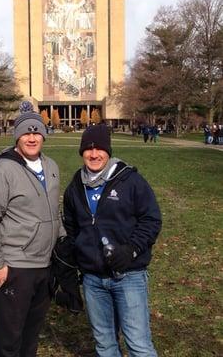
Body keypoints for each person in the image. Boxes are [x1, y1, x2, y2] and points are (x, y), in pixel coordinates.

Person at [63, 124, 162, 357]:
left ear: (108, 151)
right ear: (81, 152)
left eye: (99, 149)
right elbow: (71, 226)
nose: (94, 154)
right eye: (88, 149)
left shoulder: (130, 180)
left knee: (139, 345)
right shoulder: (75, 186)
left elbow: (151, 219)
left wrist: (132, 249)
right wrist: (80, 255)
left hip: (129, 276)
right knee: (105, 346)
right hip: (93, 280)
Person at [0, 101, 65, 357]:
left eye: (36, 132)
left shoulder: (51, 167)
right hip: (16, 266)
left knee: (31, 333)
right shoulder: (2, 170)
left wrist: (62, 244)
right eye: (26, 133)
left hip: (45, 265)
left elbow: (52, 211)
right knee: (10, 337)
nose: (31, 137)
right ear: (17, 136)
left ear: (43, 135)